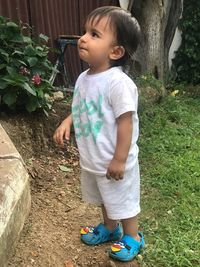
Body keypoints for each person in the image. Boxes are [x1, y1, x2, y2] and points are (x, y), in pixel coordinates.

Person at [53, 6, 144, 262]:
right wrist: (67, 121)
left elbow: (126, 123)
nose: (83, 38)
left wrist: (119, 159)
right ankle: (110, 227)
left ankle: (132, 236)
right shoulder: (84, 77)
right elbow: (84, 107)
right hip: (93, 157)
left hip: (115, 158)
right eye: (85, 32)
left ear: (116, 51)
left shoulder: (118, 83)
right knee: (106, 197)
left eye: (94, 34)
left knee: (123, 198)